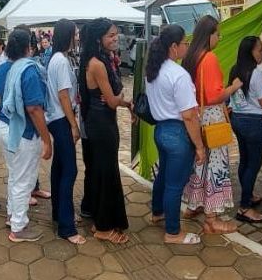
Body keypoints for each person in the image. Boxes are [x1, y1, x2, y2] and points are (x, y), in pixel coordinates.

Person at [181, 15, 243, 233]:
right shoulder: (209, 58)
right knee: (216, 166)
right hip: (212, 117)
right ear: (209, 35)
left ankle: (193, 205)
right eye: (217, 34)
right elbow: (215, 95)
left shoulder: (190, 57)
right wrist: (233, 87)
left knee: (200, 163)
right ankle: (212, 219)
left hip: (196, 116)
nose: (219, 38)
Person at [145, 24, 205, 245]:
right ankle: (173, 232)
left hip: (161, 130)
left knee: (163, 176)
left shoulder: (154, 70)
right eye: (184, 43)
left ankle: (158, 212)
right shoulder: (178, 75)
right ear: (173, 46)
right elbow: (189, 116)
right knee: (174, 185)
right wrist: (199, 146)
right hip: (177, 133)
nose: (187, 46)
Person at [79, 17, 133, 244]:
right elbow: (111, 100)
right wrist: (121, 98)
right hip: (101, 123)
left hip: (100, 121)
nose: (115, 38)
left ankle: (100, 218)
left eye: (116, 34)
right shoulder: (97, 64)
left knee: (102, 171)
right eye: (110, 35)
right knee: (106, 172)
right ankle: (103, 227)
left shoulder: (101, 60)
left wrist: (120, 100)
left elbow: (111, 97)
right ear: (98, 38)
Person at [0, 29, 52, 243]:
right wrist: (46, 139)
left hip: (4, 126)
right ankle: (18, 227)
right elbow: (34, 109)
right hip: (23, 132)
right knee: (23, 180)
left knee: (15, 174)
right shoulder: (29, 71)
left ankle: (13, 215)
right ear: (29, 47)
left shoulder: (1, 69)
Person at [45, 19, 86, 245]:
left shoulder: (58, 58)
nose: (77, 37)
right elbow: (63, 95)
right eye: (75, 34)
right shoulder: (60, 61)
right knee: (69, 170)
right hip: (61, 119)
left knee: (60, 167)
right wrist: (73, 125)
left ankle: (59, 213)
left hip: (57, 118)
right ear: (67, 35)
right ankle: (67, 227)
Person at [228, 36, 262, 223]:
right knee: (253, 164)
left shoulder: (234, 70)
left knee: (245, 160)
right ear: (250, 52)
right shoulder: (256, 74)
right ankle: (244, 207)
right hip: (254, 123)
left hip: (237, 119)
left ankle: (249, 195)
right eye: (260, 50)